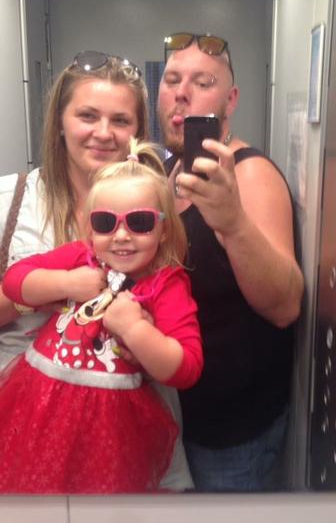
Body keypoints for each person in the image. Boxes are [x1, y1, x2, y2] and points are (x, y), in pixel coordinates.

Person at [0, 51, 194, 491]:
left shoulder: (160, 208)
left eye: (120, 120)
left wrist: (140, 333)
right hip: (27, 433)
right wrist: (56, 289)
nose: (103, 133)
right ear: (60, 121)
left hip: (131, 438)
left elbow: (181, 346)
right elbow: (14, 284)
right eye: (87, 115)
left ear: (137, 132)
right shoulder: (11, 200)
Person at [157, 32, 304, 491]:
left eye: (203, 82)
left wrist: (234, 223)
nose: (182, 93)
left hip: (232, 437)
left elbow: (285, 305)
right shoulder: (170, 171)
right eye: (172, 80)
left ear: (231, 99)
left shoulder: (250, 174)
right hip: (179, 417)